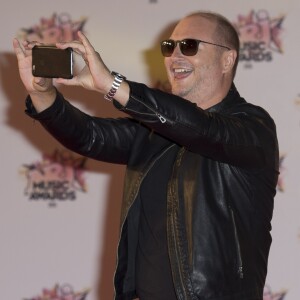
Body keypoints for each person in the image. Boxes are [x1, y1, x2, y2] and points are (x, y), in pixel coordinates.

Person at [13, 10, 279, 300]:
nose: (175, 56)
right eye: (169, 47)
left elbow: (204, 130)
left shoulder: (253, 127)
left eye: (188, 46)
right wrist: (42, 94)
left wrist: (113, 85)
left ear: (228, 59)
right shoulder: (151, 132)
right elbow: (89, 136)